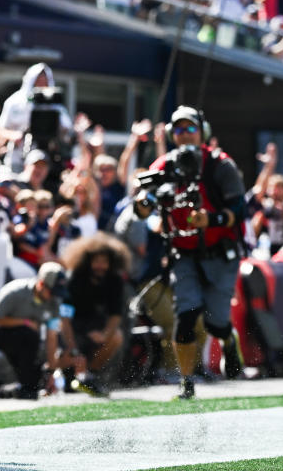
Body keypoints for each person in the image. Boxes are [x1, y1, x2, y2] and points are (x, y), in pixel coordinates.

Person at [150, 106, 246, 399]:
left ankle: (228, 339)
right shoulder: (164, 166)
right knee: (187, 314)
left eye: (189, 128)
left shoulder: (220, 165)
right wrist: (152, 216)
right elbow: (145, 202)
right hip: (184, 252)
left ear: (201, 131)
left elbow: (240, 208)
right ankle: (187, 381)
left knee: (216, 323)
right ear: (170, 134)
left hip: (219, 251)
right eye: (178, 129)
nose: (184, 134)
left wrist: (212, 219)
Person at [0, 262, 78, 399]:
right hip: (2, 335)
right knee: (29, 337)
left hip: (30, 339)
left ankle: (6, 390)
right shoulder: (16, 292)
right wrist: (25, 322)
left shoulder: (54, 302)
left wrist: (51, 371)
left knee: (35, 380)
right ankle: (24, 386)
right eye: (52, 292)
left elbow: (51, 336)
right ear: (41, 284)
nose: (54, 296)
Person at [61, 232, 128, 396]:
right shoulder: (74, 280)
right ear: (87, 262)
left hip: (96, 325)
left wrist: (105, 334)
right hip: (71, 328)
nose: (100, 266)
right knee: (63, 352)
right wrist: (73, 349)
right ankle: (68, 376)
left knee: (116, 336)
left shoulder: (115, 281)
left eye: (105, 262)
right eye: (96, 261)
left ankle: (91, 375)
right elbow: (64, 318)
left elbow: (115, 314)